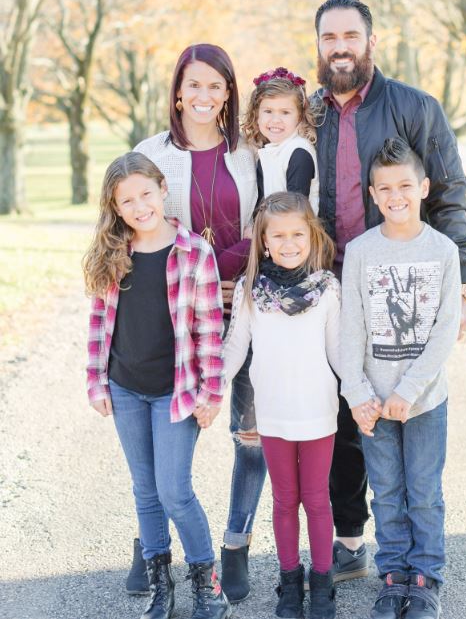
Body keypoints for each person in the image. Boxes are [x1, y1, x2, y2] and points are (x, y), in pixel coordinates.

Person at [311, 0, 466, 583]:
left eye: (350, 36)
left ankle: (416, 558)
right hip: (325, 288)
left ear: (370, 42)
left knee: (399, 410)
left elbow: (449, 193)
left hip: (399, 281)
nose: (340, 47)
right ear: (319, 45)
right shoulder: (309, 113)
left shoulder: (414, 107)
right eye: (329, 38)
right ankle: (353, 539)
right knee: (341, 413)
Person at [133, 43, 267, 603]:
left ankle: (234, 545)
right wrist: (209, 276)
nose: (204, 96)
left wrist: (232, 272)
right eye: (194, 85)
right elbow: (138, 231)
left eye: (216, 85)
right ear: (177, 91)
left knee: (251, 432)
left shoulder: (250, 153)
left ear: (230, 91)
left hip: (245, 304)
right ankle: (151, 543)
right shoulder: (151, 153)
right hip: (176, 314)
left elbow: (266, 221)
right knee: (162, 442)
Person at [83, 152, 231, 619]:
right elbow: (99, 322)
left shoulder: (193, 252)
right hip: (126, 388)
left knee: (174, 490)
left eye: (145, 193)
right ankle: (159, 584)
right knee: (144, 490)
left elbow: (209, 330)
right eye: (126, 200)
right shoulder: (112, 253)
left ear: (162, 188)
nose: (138, 205)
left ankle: (208, 583)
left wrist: (211, 393)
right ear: (115, 206)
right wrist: (96, 381)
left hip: (177, 391)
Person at [340, 138, 461, 619]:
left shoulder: (443, 251)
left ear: (424, 187)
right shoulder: (361, 251)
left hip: (426, 400)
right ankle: (393, 576)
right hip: (373, 402)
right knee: (386, 491)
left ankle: (426, 575)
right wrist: (358, 394)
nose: (396, 196)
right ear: (372, 193)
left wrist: (409, 392)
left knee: (425, 493)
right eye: (385, 188)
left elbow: (445, 329)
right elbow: (351, 328)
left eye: (405, 186)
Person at [224, 192, 339, 619]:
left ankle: (323, 583)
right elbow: (235, 347)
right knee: (284, 499)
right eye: (279, 236)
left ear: (311, 236)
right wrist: (211, 390)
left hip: (318, 412)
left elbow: (339, 352)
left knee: (317, 499)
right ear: (264, 241)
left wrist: (362, 394)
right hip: (272, 413)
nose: (289, 244)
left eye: (297, 234)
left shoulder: (327, 288)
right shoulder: (251, 291)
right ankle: (290, 580)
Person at [242, 66, 319, 212]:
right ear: (256, 114)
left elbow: (294, 212)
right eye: (268, 111)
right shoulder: (269, 150)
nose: (275, 120)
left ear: (300, 116)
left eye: (285, 112)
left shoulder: (299, 153)